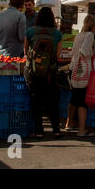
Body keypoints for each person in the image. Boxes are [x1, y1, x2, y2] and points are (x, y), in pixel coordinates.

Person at [24, 7, 63, 139]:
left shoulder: (30, 32)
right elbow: (58, 55)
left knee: (36, 101)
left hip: (34, 72)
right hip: (50, 73)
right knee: (53, 101)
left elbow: (26, 53)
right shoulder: (57, 34)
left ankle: (39, 130)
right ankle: (56, 130)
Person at [66, 15, 95, 137]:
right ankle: (81, 129)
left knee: (74, 98)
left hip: (73, 68)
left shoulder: (79, 35)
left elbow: (74, 52)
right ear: (94, 25)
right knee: (82, 101)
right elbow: (84, 52)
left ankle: (69, 124)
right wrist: (93, 53)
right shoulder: (90, 35)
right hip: (83, 71)